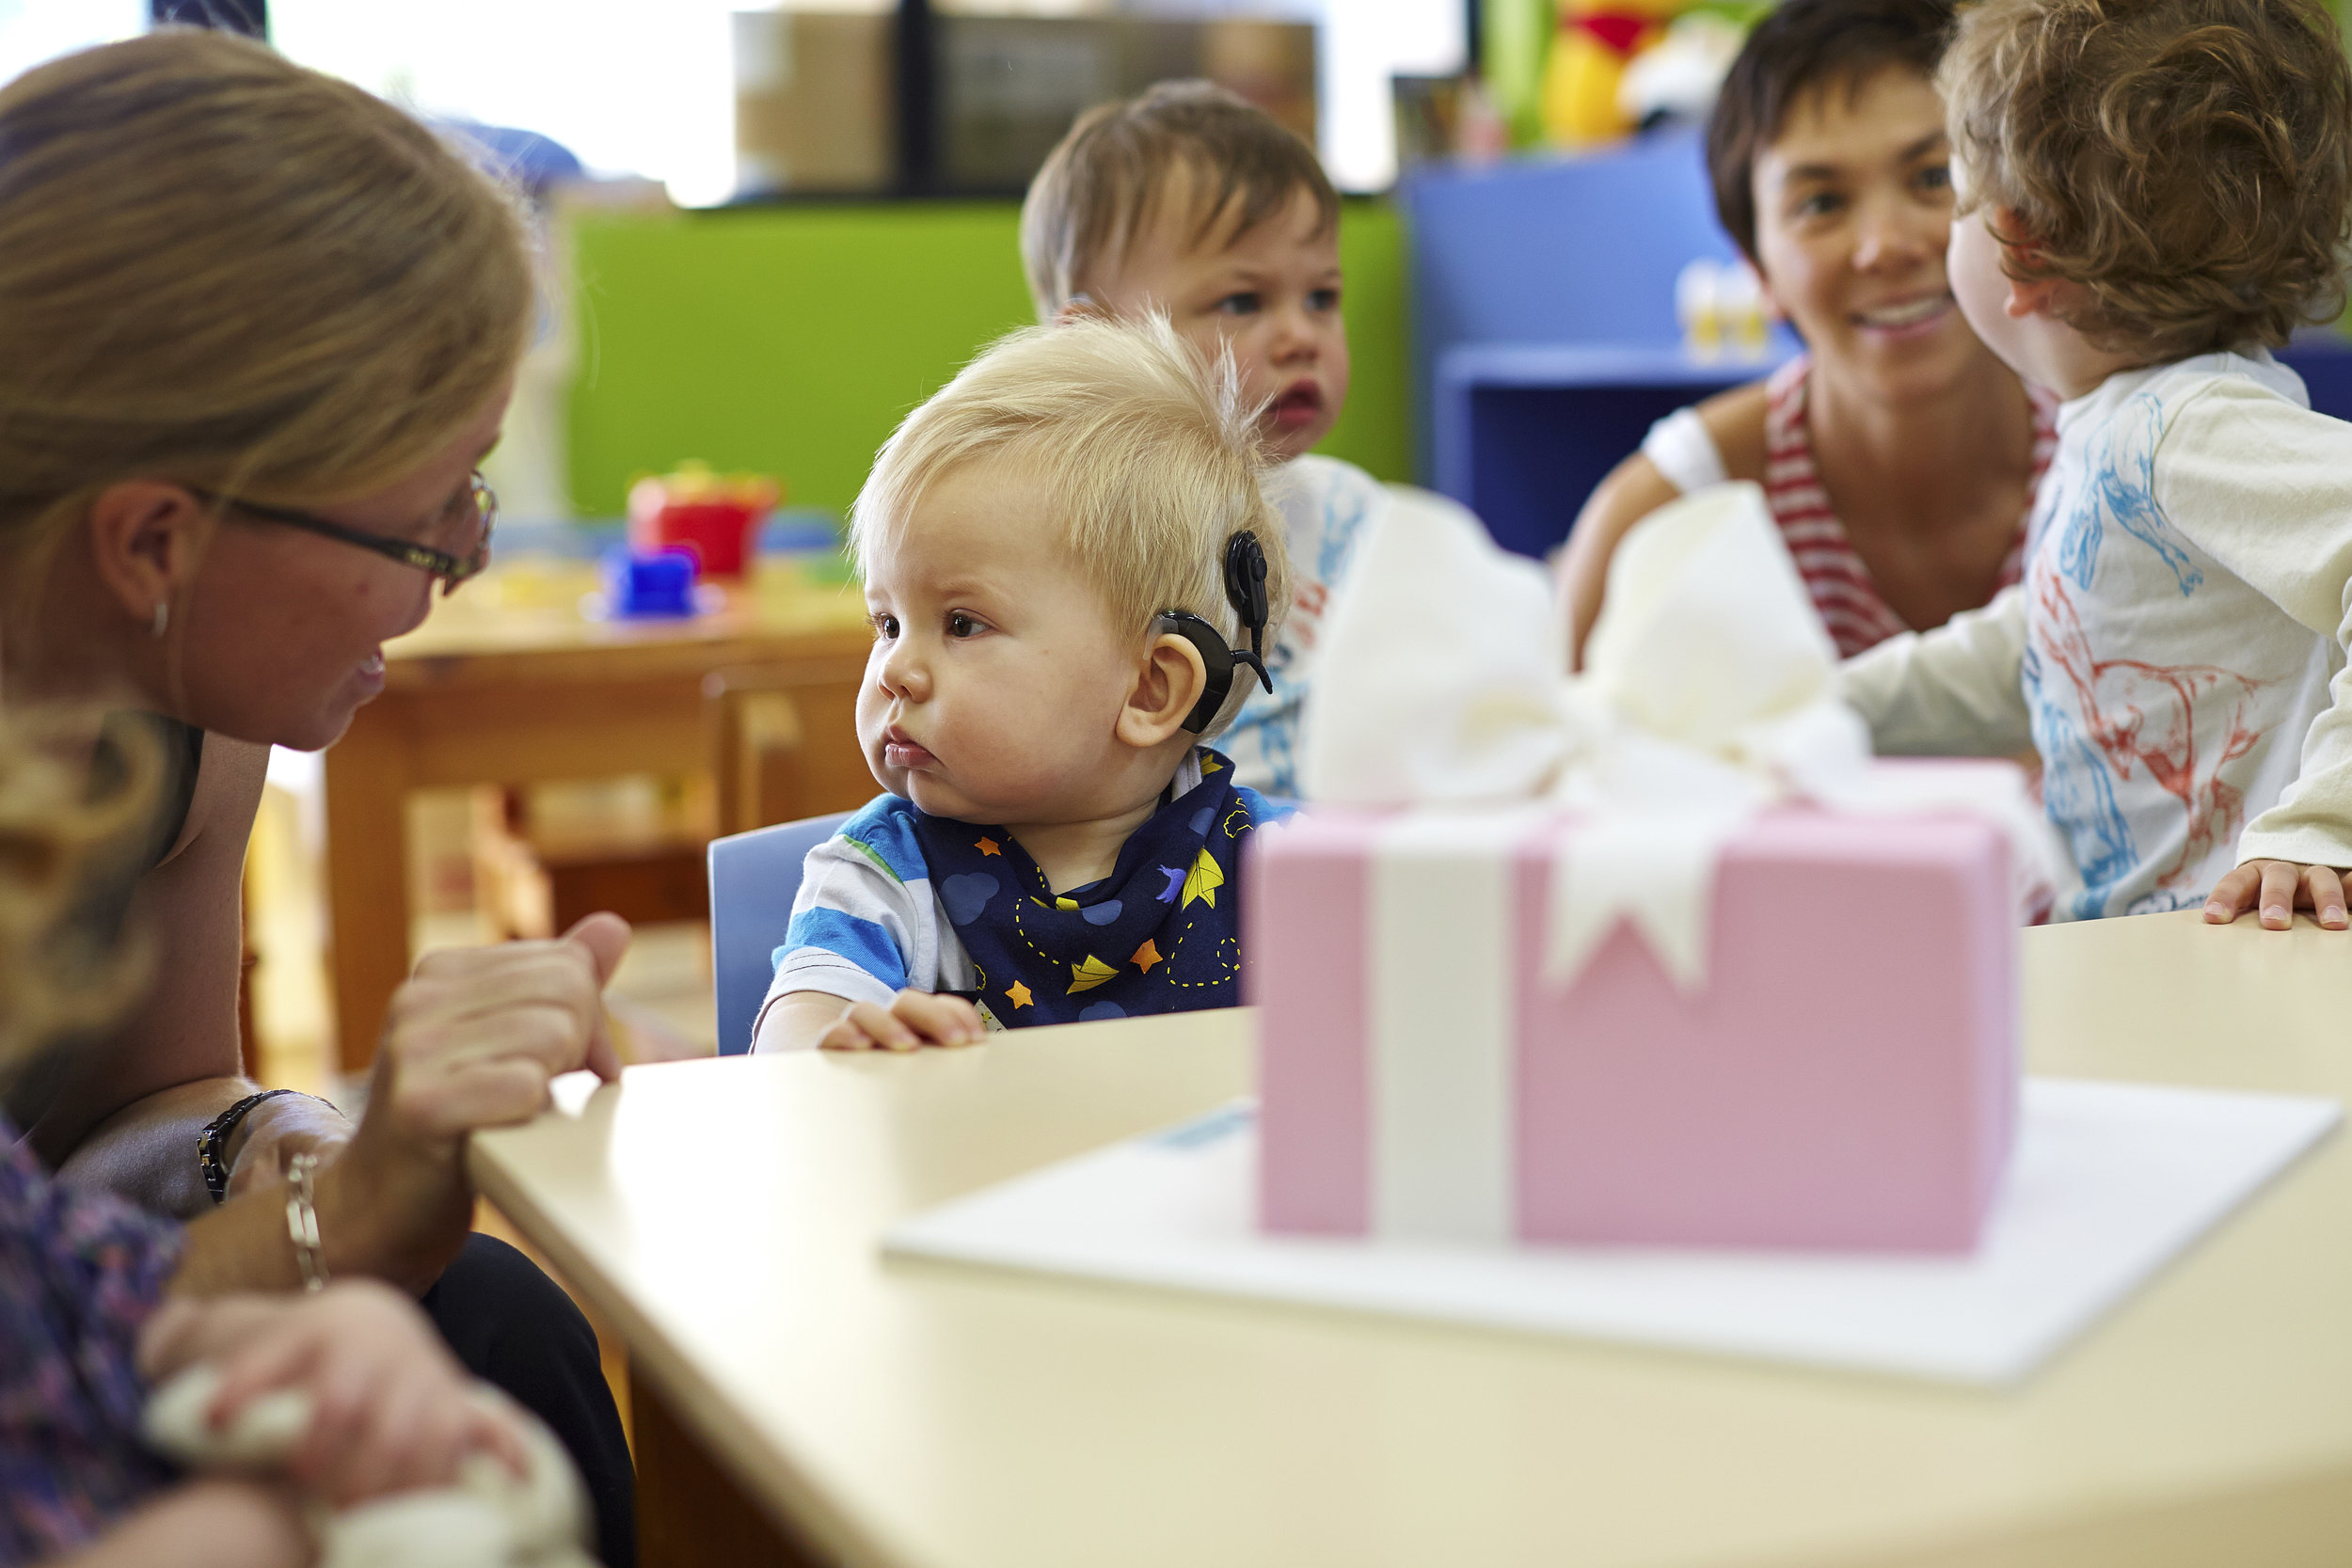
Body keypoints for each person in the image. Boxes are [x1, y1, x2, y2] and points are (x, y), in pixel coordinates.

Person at [0, 33, 633, 1561]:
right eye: (427, 522)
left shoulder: (159, 710)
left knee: (484, 1316)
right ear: (153, 546)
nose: (470, 560)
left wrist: (319, 1166)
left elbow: (87, 1193)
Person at [0, 706, 616, 1565]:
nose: (456, 578)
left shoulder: (204, 715)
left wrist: (286, 1142)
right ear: (145, 563)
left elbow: (42, 1249)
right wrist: (277, 1527)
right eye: (430, 559)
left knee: (488, 1309)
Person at [1842, 0, 2352, 929]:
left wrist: (2324, 822)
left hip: (2231, 966)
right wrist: (1830, 704)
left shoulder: (2180, 428)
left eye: (1951, 197)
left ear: (2018, 244)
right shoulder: (2123, 428)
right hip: (2153, 955)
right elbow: (2058, 642)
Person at [754, 317, 1294, 1052]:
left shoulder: (1281, 865)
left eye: (962, 624)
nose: (895, 670)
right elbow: (789, 1057)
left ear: (1149, 690)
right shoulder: (883, 878)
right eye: (886, 623)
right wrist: (840, 1053)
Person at [1558, 0, 2056, 666]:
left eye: (1934, 177)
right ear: (1755, 267)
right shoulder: (1665, 513)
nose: (1885, 245)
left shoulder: (2121, 461)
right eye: (1821, 203)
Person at [1022, 80, 1468, 800]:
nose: (1302, 336)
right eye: (1242, 302)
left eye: (1322, 297)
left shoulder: (1356, 518)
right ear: (1095, 341)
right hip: (1145, 895)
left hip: (1328, 868)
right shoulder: (1052, 535)